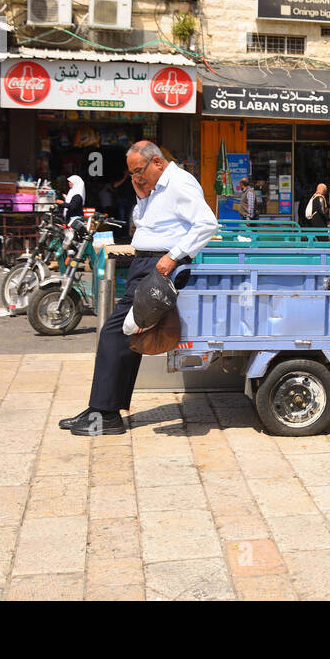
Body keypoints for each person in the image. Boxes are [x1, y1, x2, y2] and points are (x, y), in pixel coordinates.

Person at [60, 141, 218, 437]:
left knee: (113, 332)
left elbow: (207, 224)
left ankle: (104, 413)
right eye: (132, 172)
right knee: (128, 336)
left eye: (139, 171)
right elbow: (144, 225)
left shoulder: (180, 183)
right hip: (145, 264)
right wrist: (142, 196)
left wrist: (173, 256)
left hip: (158, 268)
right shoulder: (156, 188)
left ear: (156, 162)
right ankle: (104, 410)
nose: (136, 177)